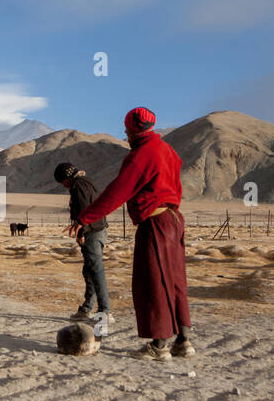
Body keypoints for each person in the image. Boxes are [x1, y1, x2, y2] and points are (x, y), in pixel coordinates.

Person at [69, 107, 193, 360]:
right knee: (175, 280)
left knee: (154, 282)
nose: (125, 134)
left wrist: (85, 218)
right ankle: (183, 340)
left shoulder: (141, 155)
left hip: (155, 223)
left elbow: (116, 193)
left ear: (135, 130)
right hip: (174, 219)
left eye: (127, 130)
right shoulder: (168, 151)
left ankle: (159, 346)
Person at [55, 162, 111, 323]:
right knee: (89, 270)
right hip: (96, 229)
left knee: (96, 270)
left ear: (66, 178)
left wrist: (80, 232)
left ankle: (104, 312)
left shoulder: (78, 186)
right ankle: (87, 308)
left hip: (92, 232)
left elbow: (85, 210)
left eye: (62, 182)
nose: (63, 185)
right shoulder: (86, 182)